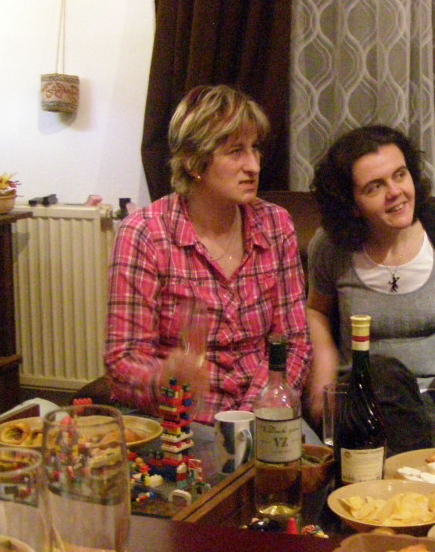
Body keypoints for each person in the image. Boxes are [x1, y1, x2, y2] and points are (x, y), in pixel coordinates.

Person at [104, 84, 311, 424]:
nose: (254, 166)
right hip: (181, 418)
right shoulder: (145, 233)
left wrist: (249, 417)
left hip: (264, 412)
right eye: (235, 151)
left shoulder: (276, 225)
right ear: (194, 162)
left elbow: (293, 343)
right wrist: (166, 379)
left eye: (255, 149)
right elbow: (123, 361)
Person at [306, 125, 435, 450]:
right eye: (375, 187)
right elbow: (317, 311)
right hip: (363, 399)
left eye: (400, 175)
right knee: (380, 373)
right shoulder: (331, 246)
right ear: (351, 204)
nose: (395, 192)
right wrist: (323, 383)